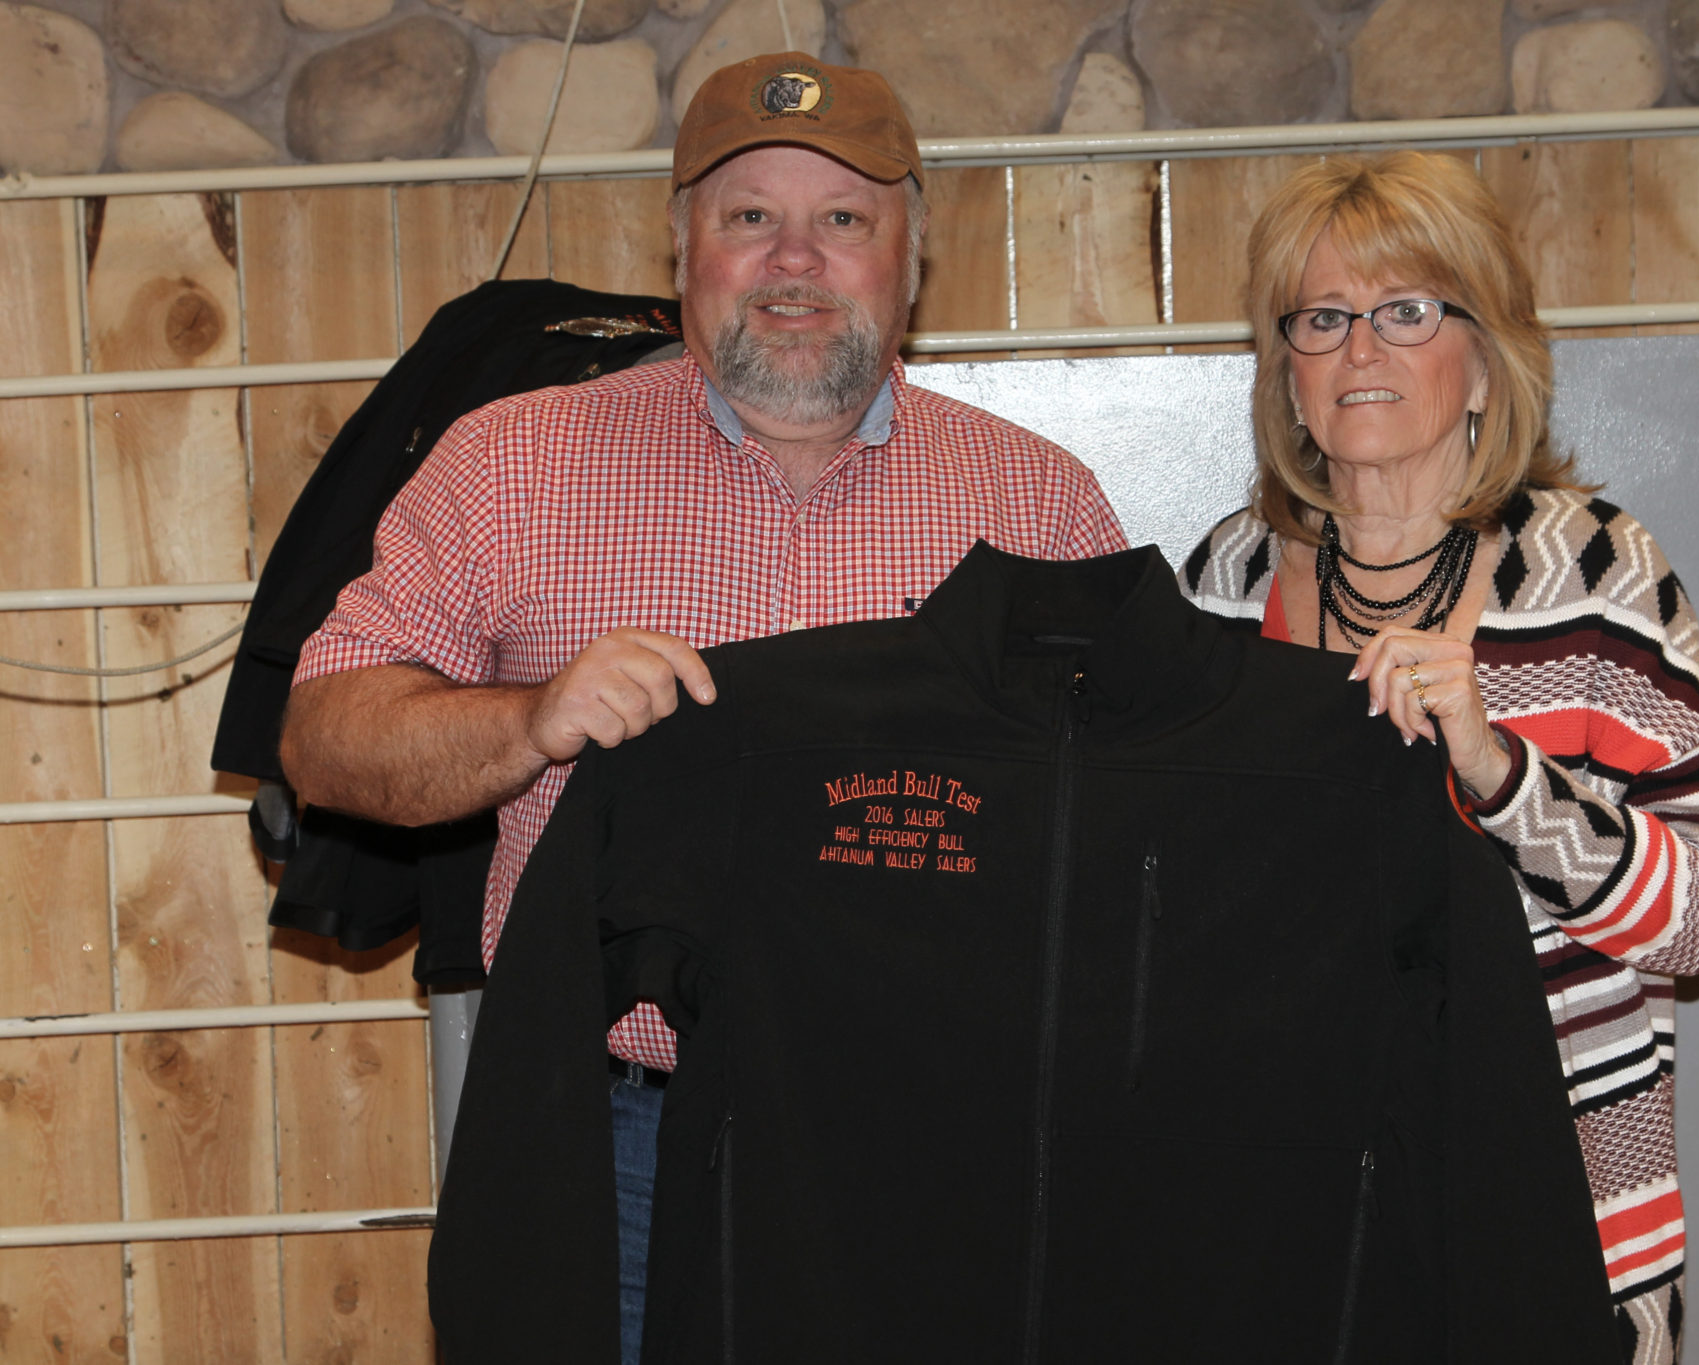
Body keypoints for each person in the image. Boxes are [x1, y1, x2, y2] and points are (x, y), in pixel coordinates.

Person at [278, 51, 1126, 1362]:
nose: (796, 259)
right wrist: (529, 720)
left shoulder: (1041, 502)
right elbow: (323, 740)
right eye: (748, 217)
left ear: (913, 258)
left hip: (947, 1146)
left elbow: (1121, 828)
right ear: (679, 248)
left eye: (842, 218)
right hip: (622, 1147)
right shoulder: (511, 464)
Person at [1180, 152, 1699, 1364]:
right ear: (1285, 373)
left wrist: (1500, 774)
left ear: (1485, 359)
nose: (1359, 350)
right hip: (1283, 1221)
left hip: (1559, 1215)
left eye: (1405, 312)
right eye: (1320, 318)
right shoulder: (1221, 585)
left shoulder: (1592, 576)